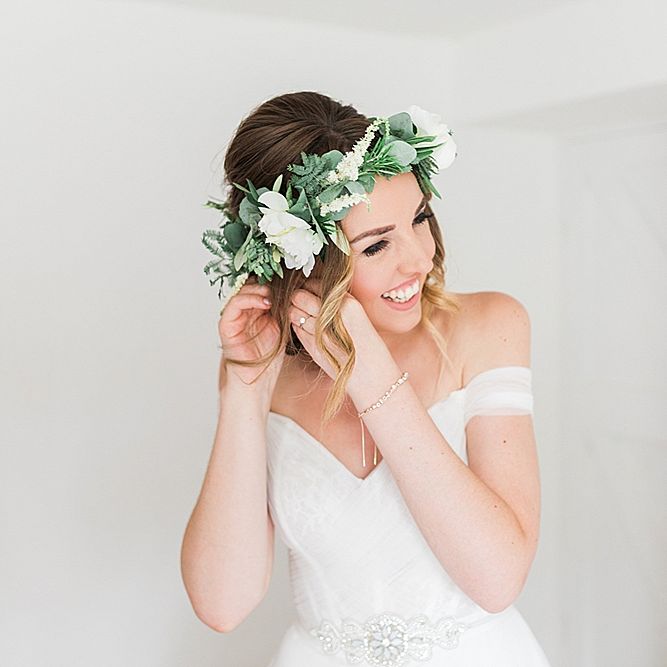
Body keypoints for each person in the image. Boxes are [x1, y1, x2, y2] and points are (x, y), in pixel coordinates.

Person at [181, 91, 551, 666]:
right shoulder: (266, 365)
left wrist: (372, 377)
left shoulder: (489, 326)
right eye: (377, 245)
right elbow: (221, 605)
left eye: (420, 218)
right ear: (301, 261)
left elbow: (497, 579)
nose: (420, 259)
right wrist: (243, 388)